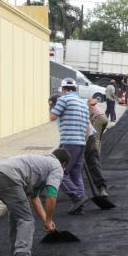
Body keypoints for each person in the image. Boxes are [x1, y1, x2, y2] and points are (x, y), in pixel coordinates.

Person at [0, 149, 70, 256]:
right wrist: (49, 220)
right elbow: (51, 196)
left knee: (16, 213)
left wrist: (47, 221)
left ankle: (15, 251)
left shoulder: (40, 164)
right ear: (64, 164)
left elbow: (35, 199)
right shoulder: (57, 167)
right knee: (26, 219)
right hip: (9, 178)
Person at [49, 78, 90, 215]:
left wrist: (51, 105)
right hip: (81, 143)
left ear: (63, 89)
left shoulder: (63, 99)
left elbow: (52, 117)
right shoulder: (83, 103)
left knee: (59, 172)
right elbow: (87, 128)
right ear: (74, 88)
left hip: (69, 142)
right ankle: (79, 206)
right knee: (76, 174)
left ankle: (78, 197)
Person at [84, 124, 109, 197]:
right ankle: (78, 193)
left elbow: (53, 117)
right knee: (92, 161)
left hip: (83, 135)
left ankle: (101, 187)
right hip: (86, 134)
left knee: (92, 160)